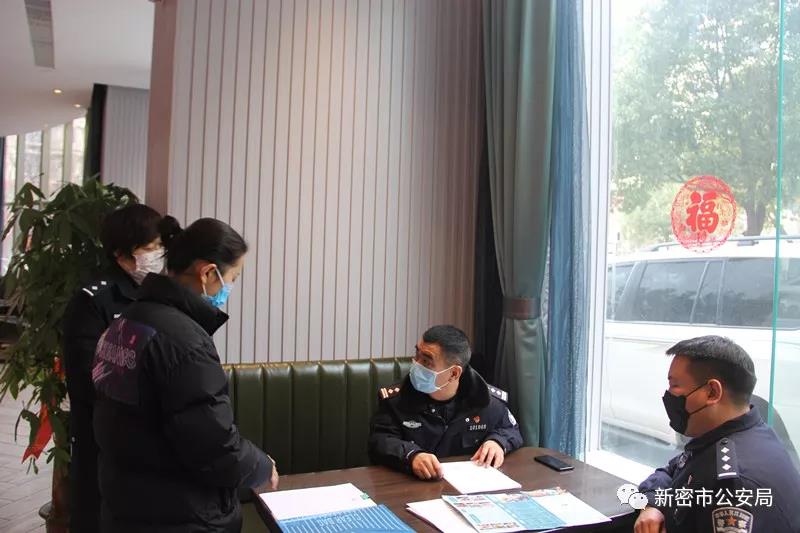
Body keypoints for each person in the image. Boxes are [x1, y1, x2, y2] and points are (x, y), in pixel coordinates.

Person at [91, 218, 277, 533]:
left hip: (127, 505)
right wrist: (261, 465)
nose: (230, 288)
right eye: (233, 277)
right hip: (179, 515)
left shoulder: (128, 322)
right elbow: (213, 446)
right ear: (208, 273)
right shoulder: (185, 342)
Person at [63, 203, 177, 533]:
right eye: (150, 248)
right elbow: (90, 378)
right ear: (121, 255)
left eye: (161, 247)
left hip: (148, 443)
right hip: (104, 438)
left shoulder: (159, 293)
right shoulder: (94, 300)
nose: (158, 256)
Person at [635, 336, 800, 533]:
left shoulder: (733, 484)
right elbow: (672, 470)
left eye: (675, 386)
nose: (669, 395)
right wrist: (654, 504)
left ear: (712, 392)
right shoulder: (731, 437)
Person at [368, 325, 523, 480]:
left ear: (454, 373)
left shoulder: (484, 400)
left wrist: (498, 442)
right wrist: (411, 455)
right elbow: (379, 441)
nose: (416, 364)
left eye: (426, 361)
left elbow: (511, 429)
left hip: (467, 485)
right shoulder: (397, 399)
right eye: (417, 354)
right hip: (412, 485)